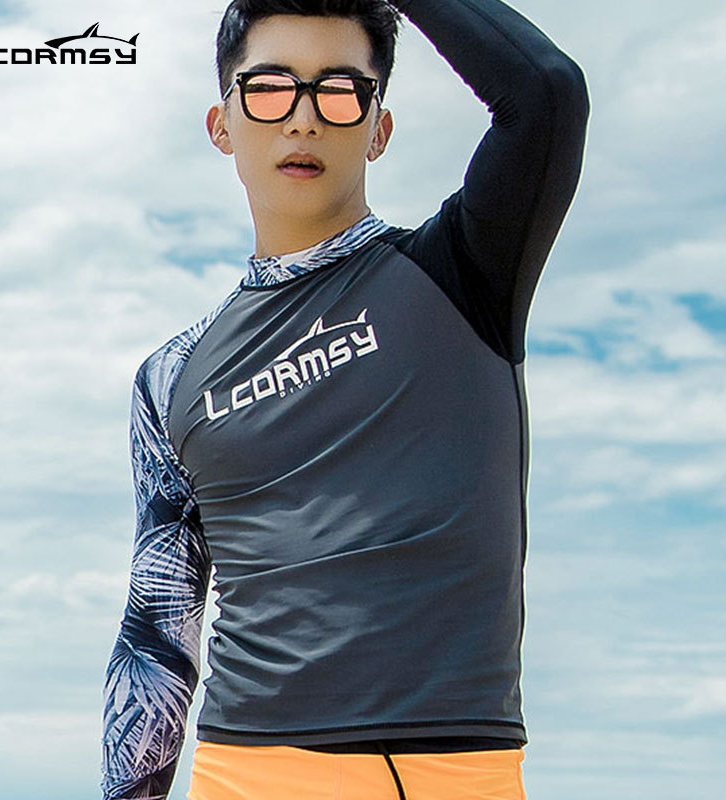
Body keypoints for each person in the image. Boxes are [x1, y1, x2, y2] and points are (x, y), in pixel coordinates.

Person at [100, 0, 590, 798]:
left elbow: (545, 92)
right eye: (269, 89)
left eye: (338, 91)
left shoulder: (461, 275)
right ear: (223, 124)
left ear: (378, 129)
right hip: (236, 770)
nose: (303, 118)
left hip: (438, 771)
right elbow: (156, 633)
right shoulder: (171, 377)